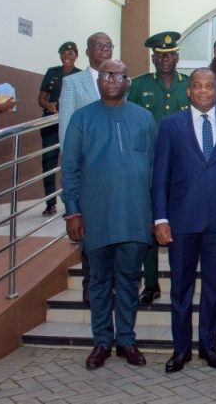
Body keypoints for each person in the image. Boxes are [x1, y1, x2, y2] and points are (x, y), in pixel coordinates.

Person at [61, 59, 157, 371]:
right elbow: (70, 167)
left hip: (135, 214)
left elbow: (155, 169)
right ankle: (102, 341)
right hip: (96, 215)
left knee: (129, 281)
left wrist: (156, 215)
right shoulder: (82, 118)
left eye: (118, 75)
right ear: (98, 80)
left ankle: (126, 340)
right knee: (99, 282)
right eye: (105, 74)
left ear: (128, 81)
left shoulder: (144, 118)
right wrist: (73, 212)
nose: (111, 79)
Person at [152, 68, 216, 373]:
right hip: (181, 221)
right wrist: (160, 218)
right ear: (189, 90)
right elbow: (160, 177)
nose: (204, 91)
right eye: (198, 86)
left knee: (213, 289)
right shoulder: (170, 125)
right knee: (180, 289)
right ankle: (181, 349)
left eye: (209, 86)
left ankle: (208, 345)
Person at [128, 31, 190, 306]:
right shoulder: (138, 85)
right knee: (152, 223)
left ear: (177, 57)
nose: (166, 60)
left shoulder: (188, 85)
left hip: (183, 167)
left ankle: (181, 282)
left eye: (170, 55)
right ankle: (151, 283)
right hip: (149, 166)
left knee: (181, 224)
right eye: (160, 56)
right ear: (153, 58)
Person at [58, 32, 113, 305]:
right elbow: (66, 131)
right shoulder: (73, 83)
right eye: (99, 45)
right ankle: (91, 287)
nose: (104, 49)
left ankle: (112, 286)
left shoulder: (118, 79)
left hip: (115, 174)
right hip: (87, 173)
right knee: (90, 233)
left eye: (109, 46)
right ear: (88, 50)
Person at [36, 42, 81, 217]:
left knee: (72, 164)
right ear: (60, 55)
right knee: (48, 163)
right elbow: (41, 98)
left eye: (71, 53)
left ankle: (73, 204)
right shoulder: (52, 73)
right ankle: (50, 204)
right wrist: (48, 105)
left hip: (71, 124)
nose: (67, 56)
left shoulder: (80, 75)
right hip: (51, 124)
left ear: (76, 55)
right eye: (63, 53)